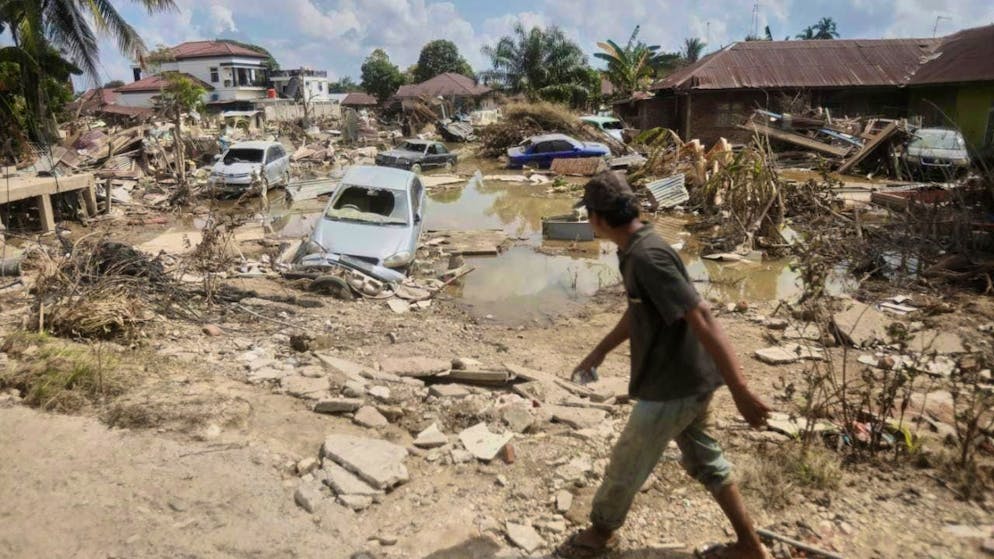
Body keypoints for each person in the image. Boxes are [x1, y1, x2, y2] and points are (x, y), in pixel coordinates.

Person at [560, 172, 772, 559]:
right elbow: (639, 310)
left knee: (627, 460)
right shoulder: (634, 248)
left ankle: (601, 531)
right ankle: (749, 545)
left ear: (598, 219)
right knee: (706, 461)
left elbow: (703, 316)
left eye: (589, 214)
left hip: (673, 386)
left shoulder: (647, 256)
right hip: (686, 380)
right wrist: (599, 351)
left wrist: (741, 391)